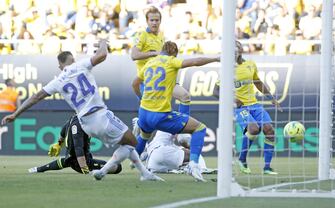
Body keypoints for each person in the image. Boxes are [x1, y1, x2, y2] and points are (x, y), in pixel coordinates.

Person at [1, 39, 162, 182]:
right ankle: (103, 171)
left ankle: (144, 173)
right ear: (73, 59)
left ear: (60, 66)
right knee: (133, 142)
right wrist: (104, 42)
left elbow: (35, 97)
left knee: (126, 143)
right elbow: (102, 55)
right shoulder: (79, 65)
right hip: (100, 115)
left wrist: (16, 114)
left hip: (86, 124)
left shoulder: (56, 82)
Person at [133, 41, 220, 182]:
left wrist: (140, 98)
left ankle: (131, 163)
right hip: (160, 114)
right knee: (200, 128)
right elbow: (196, 61)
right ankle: (193, 164)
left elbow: (134, 83)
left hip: (144, 111)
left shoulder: (150, 63)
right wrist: (215, 58)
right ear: (174, 53)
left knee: (144, 136)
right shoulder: (171, 61)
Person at [213, 41, 281, 175]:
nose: (234, 51)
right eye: (232, 49)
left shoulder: (250, 64)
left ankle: (267, 167)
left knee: (270, 130)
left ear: (241, 50)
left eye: (237, 48)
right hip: (240, 107)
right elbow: (215, 92)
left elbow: (258, 83)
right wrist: (232, 100)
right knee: (253, 129)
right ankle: (242, 159)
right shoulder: (227, 69)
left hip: (254, 104)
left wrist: (271, 98)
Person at [131, 7, 192, 152]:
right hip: (149, 82)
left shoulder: (161, 37)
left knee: (185, 96)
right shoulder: (141, 35)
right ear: (147, 21)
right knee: (147, 133)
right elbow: (134, 55)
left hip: (165, 81)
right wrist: (155, 53)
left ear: (160, 21)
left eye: (157, 20)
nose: (154, 23)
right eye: (151, 20)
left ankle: (181, 133)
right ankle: (136, 156)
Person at [28, 114, 122, 175]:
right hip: (81, 162)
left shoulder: (75, 117)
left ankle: (38, 169)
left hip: (71, 159)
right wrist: (84, 169)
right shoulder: (78, 125)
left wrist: (59, 143)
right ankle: (92, 171)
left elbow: (64, 129)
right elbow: (78, 148)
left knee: (66, 161)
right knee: (117, 167)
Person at [142, 130, 216, 174]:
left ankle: (182, 168)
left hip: (151, 163)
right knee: (195, 154)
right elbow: (182, 140)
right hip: (161, 152)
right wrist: (190, 147)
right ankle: (202, 169)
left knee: (179, 152)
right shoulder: (176, 121)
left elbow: (143, 155)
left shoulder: (159, 133)